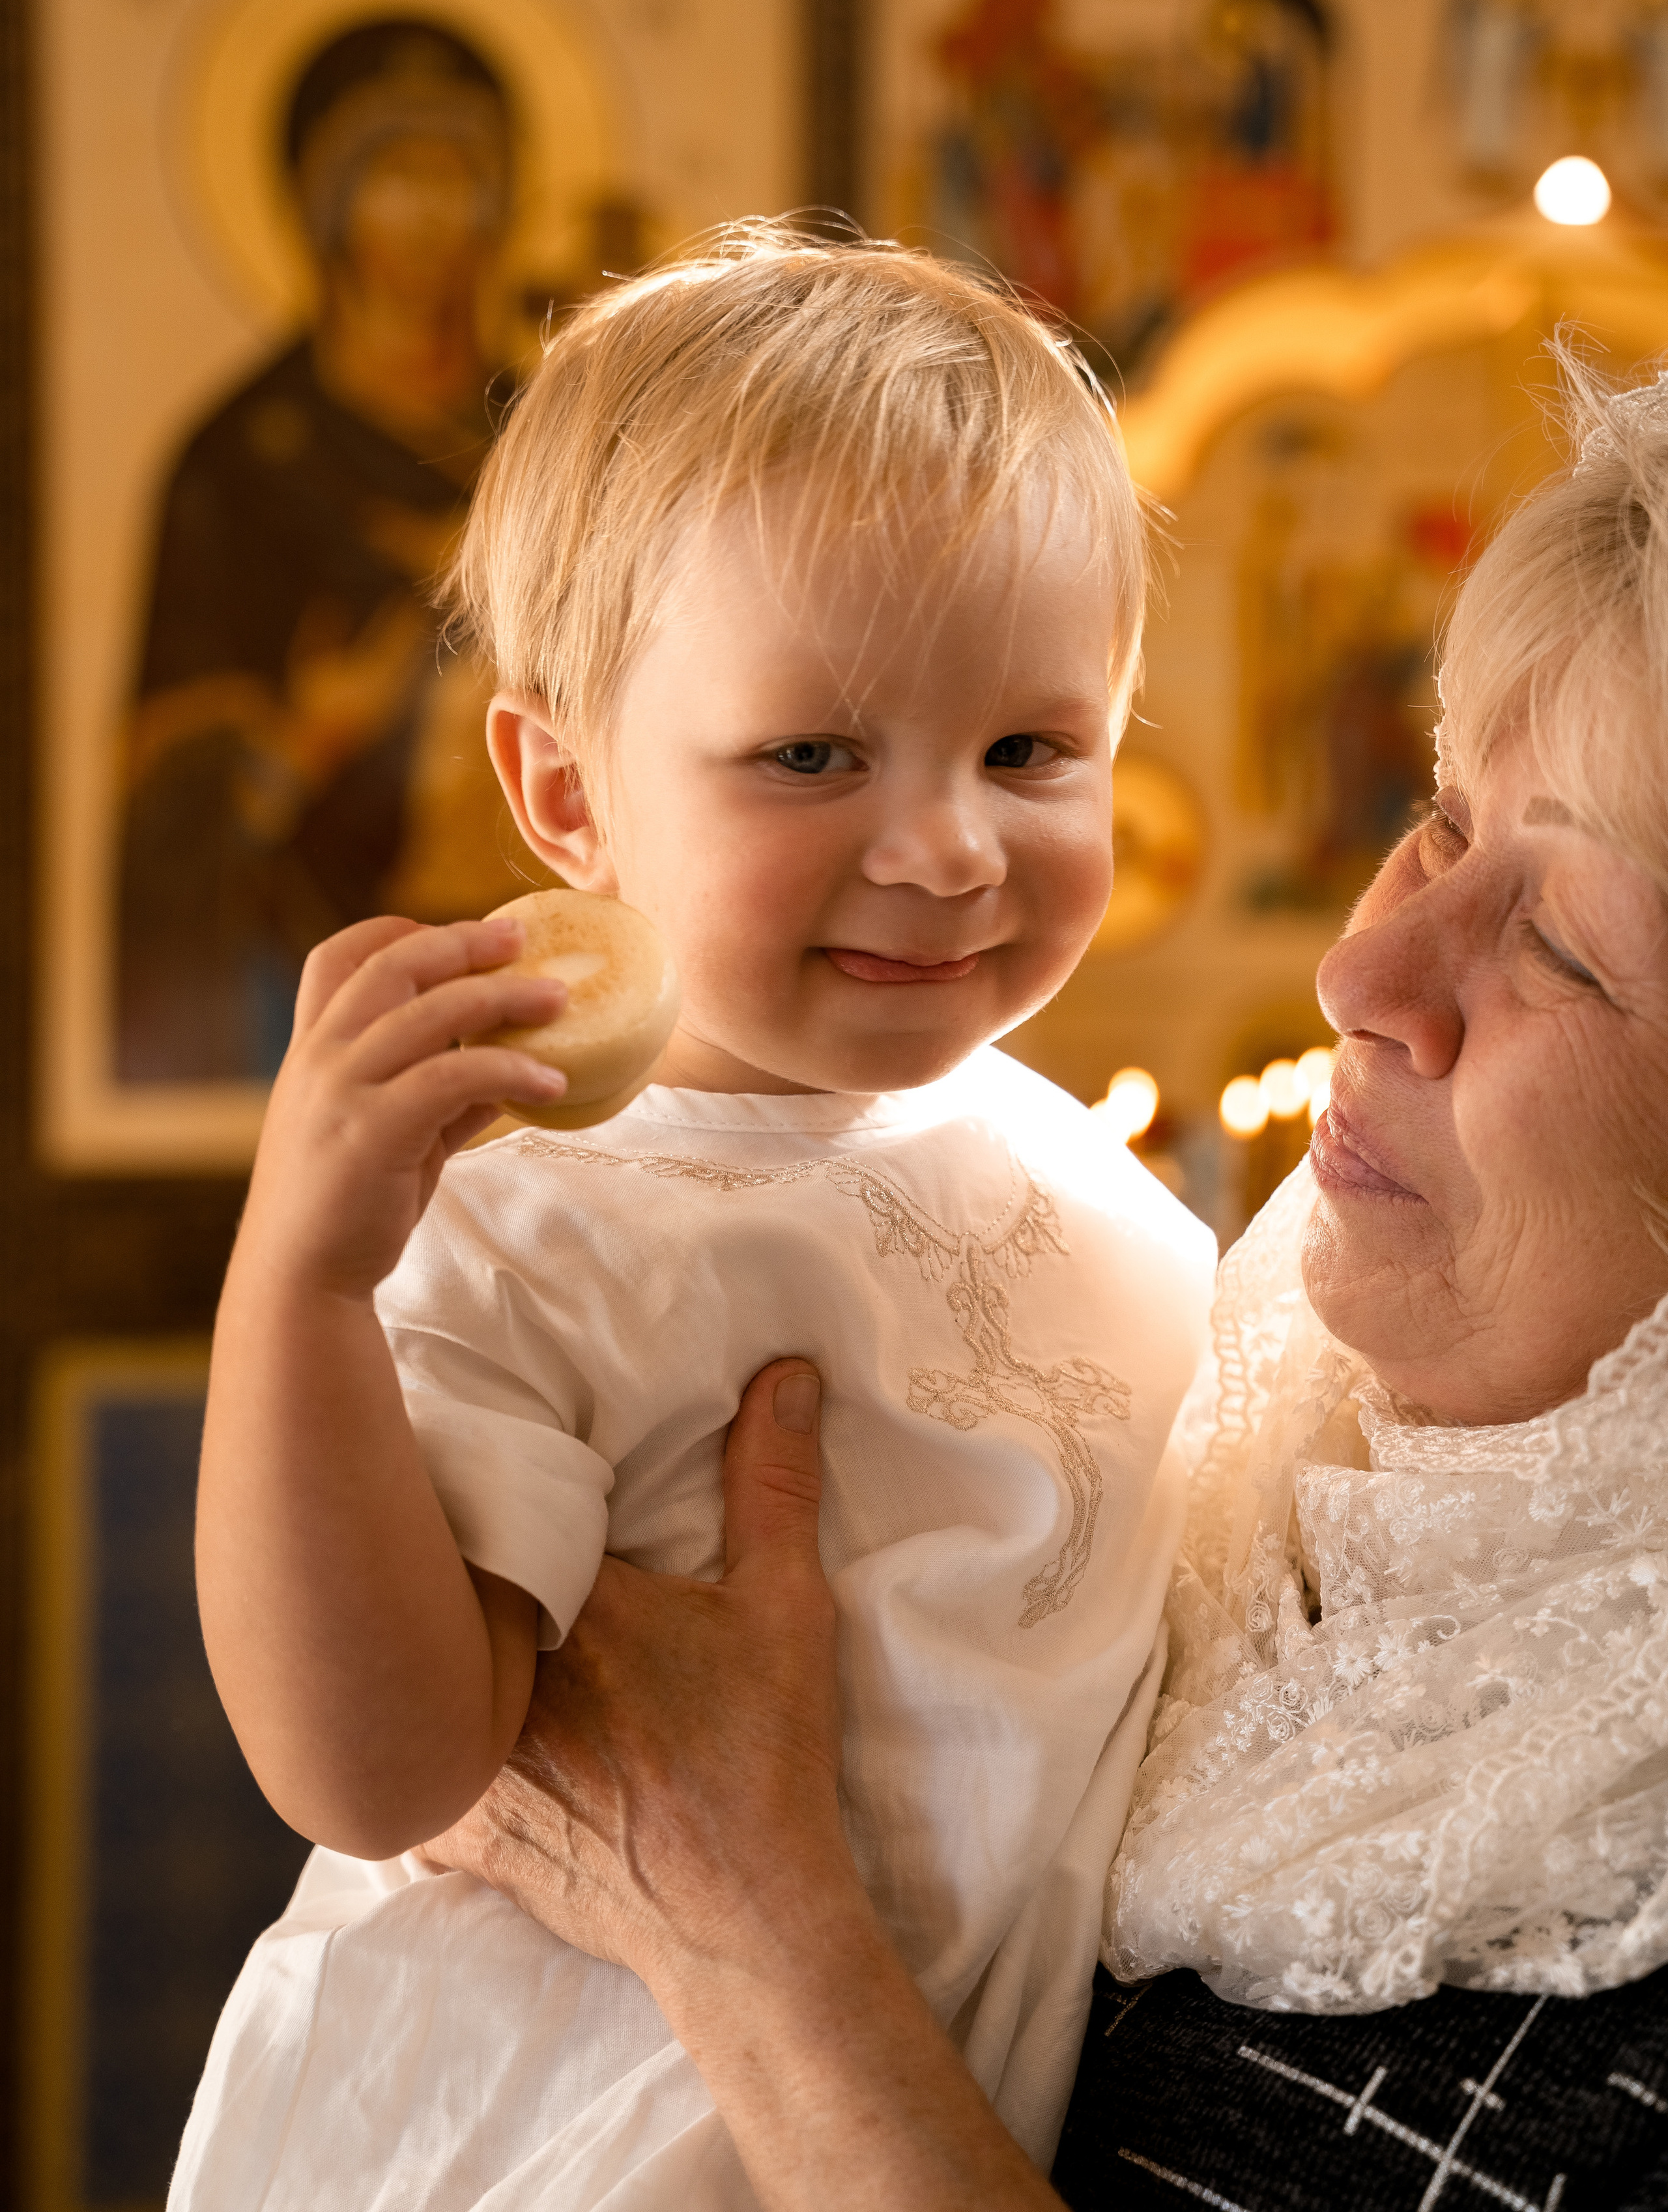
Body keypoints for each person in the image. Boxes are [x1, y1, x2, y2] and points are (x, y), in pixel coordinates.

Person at [418, 350, 1668, 2212]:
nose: (1360, 974)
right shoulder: (1245, 1429)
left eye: (1558, 944)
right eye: (1442, 821)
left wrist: (737, 1917)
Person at [170, 225, 1217, 2209]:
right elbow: (378, 1772)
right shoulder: (532, 1209)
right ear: (567, 794)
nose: (947, 847)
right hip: (565, 2142)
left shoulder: (1100, 1184)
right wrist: (303, 1290)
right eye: (811, 755)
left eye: (1029, 749)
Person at [119, 17, 526, 1082]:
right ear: (328, 204)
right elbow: (166, 805)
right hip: (308, 955)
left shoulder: (544, 435)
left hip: (533, 936)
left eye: (457, 177)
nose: (429, 215)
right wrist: (307, 740)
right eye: (395, 176)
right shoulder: (238, 463)